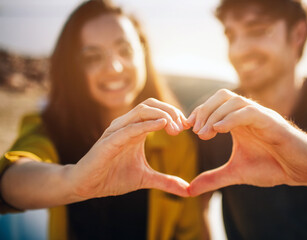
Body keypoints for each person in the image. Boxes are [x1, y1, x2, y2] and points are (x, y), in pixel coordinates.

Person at [0, 1, 202, 239]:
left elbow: (191, 232)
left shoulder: (176, 142)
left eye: (125, 50)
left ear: (143, 53)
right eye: (93, 57)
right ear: (75, 68)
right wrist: (74, 180)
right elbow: (10, 179)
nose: (114, 68)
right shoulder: (49, 129)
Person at [187, 0, 307, 239]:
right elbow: (195, 205)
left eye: (257, 30)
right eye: (231, 36)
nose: (238, 50)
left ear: (298, 33)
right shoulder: (214, 118)